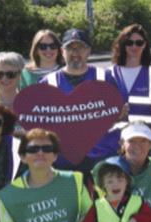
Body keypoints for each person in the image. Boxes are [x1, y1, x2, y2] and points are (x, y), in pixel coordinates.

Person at [41, 29, 111, 171]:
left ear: (89, 51)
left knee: (100, 194)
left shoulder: (105, 78)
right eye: (70, 48)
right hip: (63, 158)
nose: (75, 53)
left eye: (80, 48)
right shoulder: (48, 82)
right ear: (62, 51)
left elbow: (119, 114)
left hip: (100, 155)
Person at [108, 24, 151, 156]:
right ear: (122, 45)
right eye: (129, 43)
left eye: (139, 43)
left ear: (145, 45)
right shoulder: (108, 75)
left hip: (148, 145)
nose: (134, 47)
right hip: (117, 145)